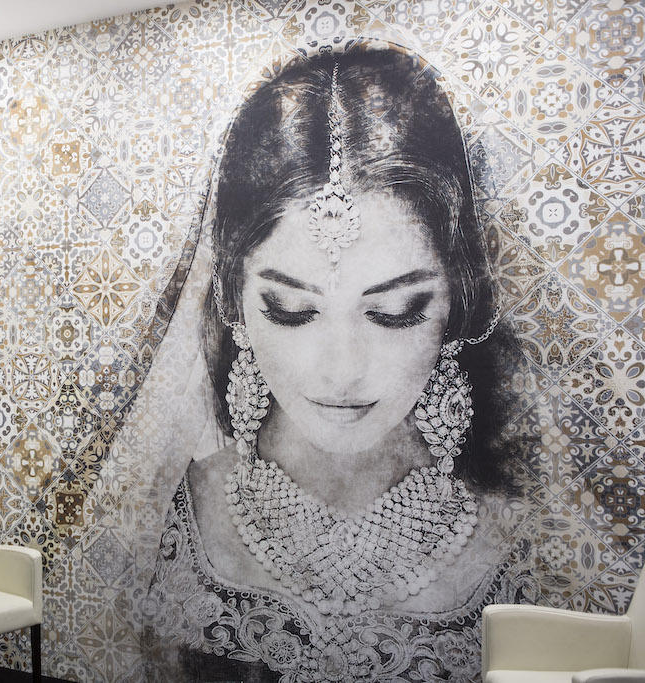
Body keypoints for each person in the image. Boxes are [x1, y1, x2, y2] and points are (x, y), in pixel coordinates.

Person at [138, 42, 536, 681]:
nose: (341, 370)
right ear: (232, 299)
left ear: (459, 301)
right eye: (292, 310)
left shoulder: (528, 528)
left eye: (396, 311)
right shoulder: (175, 506)